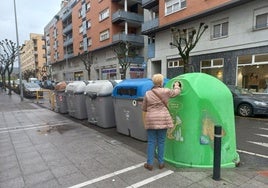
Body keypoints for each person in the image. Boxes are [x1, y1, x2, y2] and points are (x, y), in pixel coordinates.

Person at [142, 74, 181, 171]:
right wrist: (176, 85)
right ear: (161, 82)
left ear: (154, 82)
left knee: (151, 142)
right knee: (161, 141)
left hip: (151, 119)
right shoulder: (166, 91)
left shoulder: (147, 93)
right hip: (163, 119)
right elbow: (177, 92)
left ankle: (150, 164)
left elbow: (144, 108)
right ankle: (161, 163)